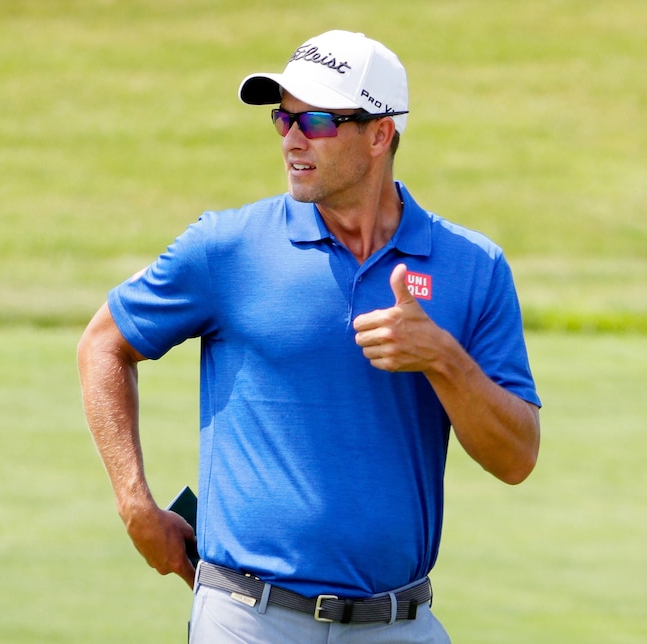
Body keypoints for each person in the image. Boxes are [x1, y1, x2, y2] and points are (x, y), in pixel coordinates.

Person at [77, 29, 540, 643]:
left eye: (317, 120)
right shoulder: (227, 246)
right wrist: (135, 504)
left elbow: (516, 459)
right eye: (283, 117)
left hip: (398, 622)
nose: (292, 137)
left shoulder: (472, 267)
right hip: (246, 619)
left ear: (380, 133)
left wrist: (443, 360)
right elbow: (104, 344)